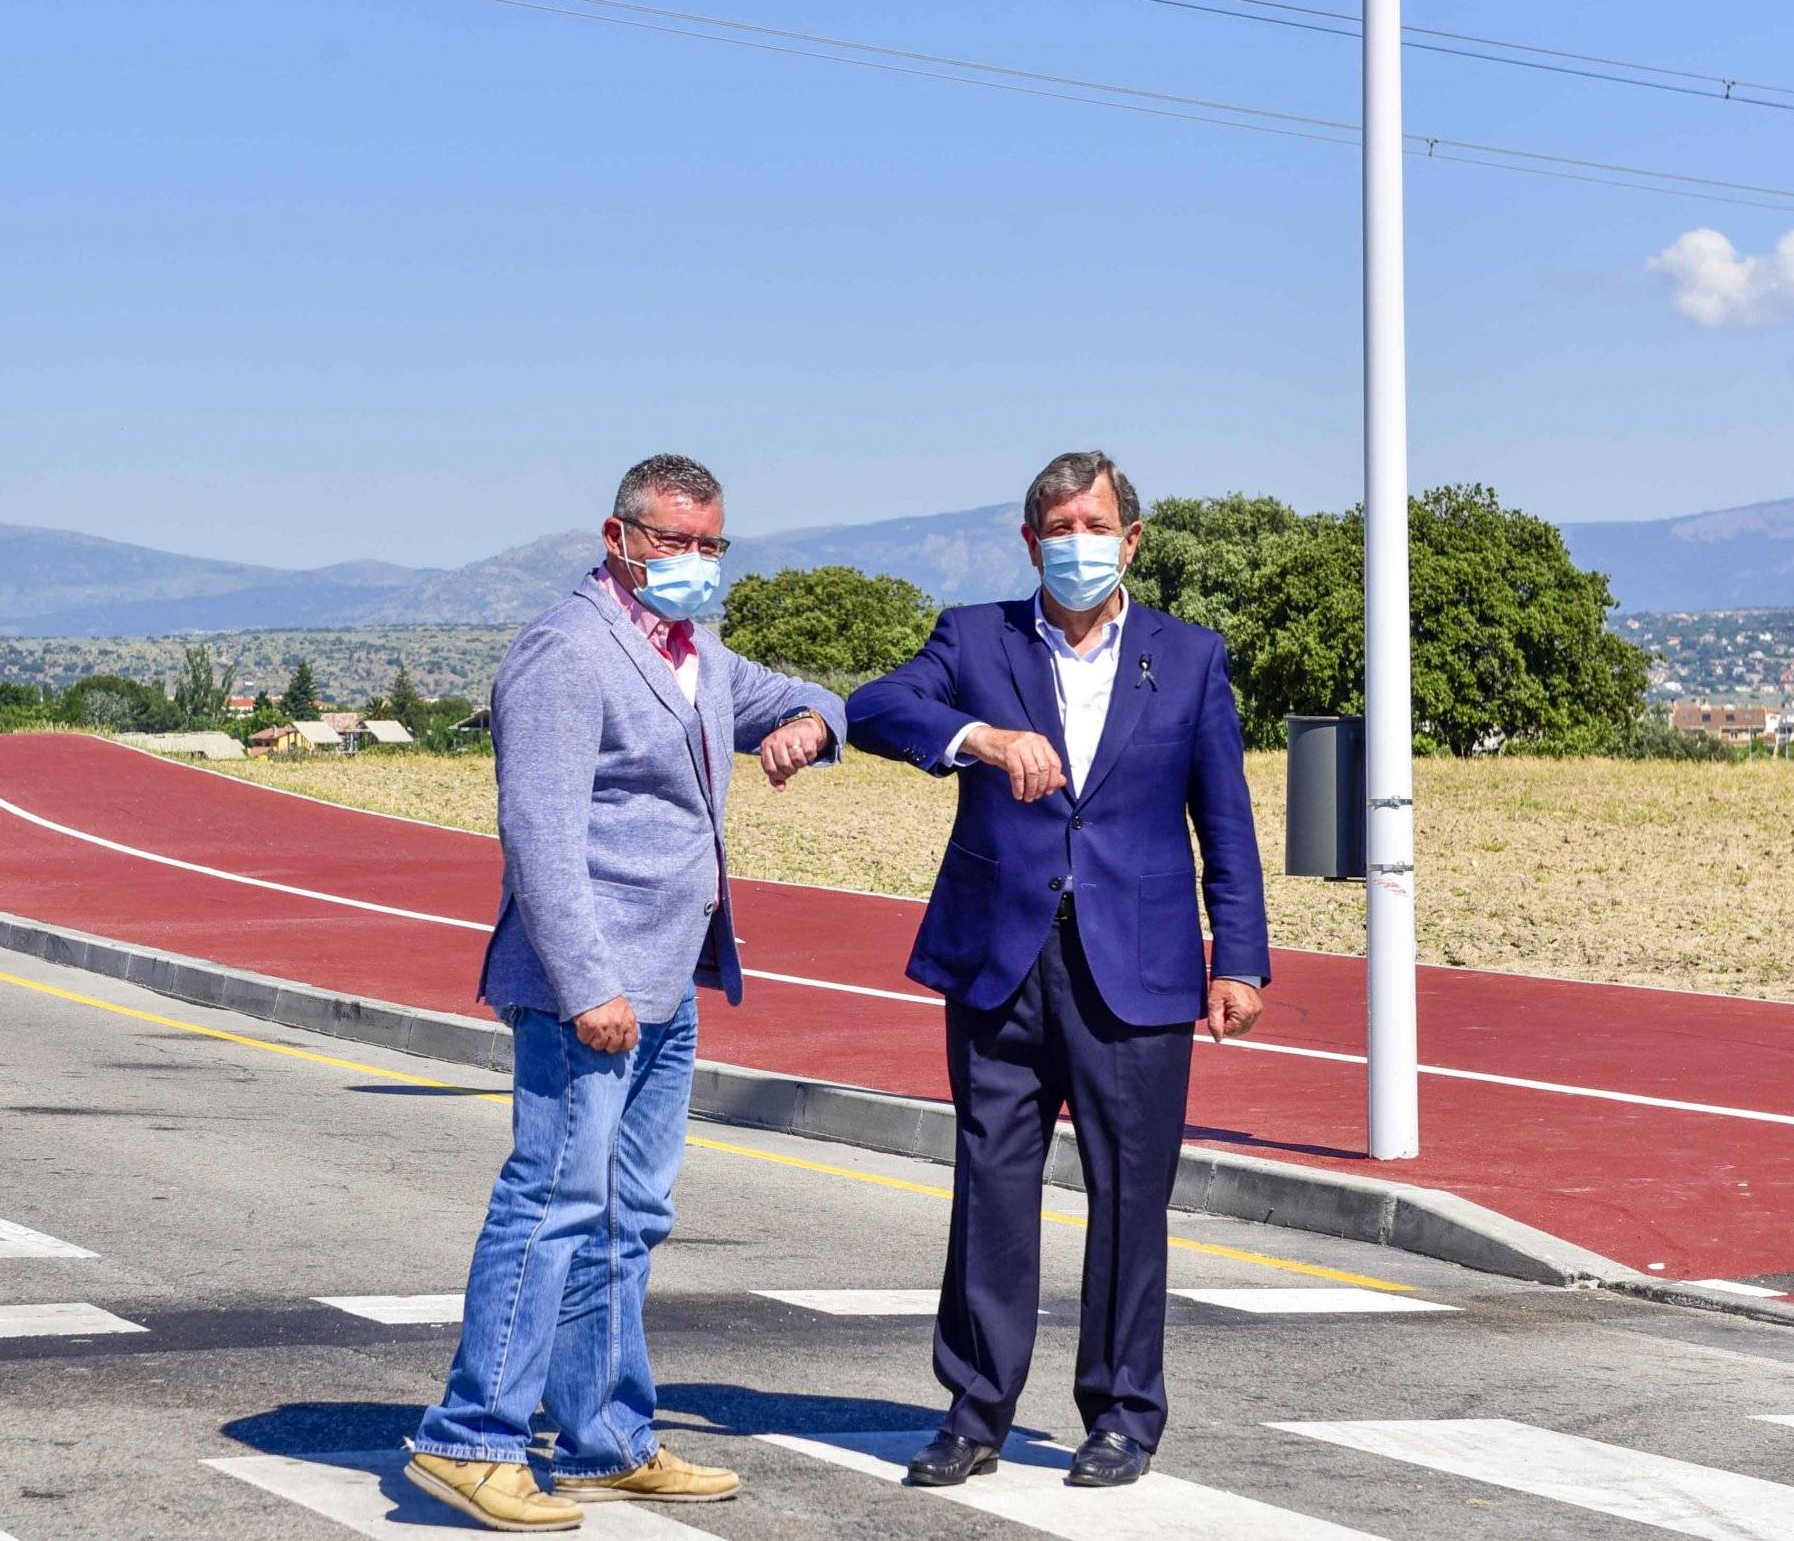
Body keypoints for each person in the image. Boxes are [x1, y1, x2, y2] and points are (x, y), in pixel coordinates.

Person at [407, 454, 843, 1533]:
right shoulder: (568, 650)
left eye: (709, 544)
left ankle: (602, 1434)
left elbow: (801, 693)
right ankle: (472, 1435)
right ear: (618, 536)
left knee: (627, 1213)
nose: (692, 562)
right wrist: (587, 982)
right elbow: (539, 834)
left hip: (670, 977)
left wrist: (812, 725)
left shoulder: (692, 651)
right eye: (673, 541)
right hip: (588, 988)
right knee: (552, 1199)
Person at [844, 449, 1269, 1491]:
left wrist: (1241, 959)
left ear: (1131, 539)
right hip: (1001, 957)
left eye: (1095, 523)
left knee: (1132, 1195)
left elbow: (1225, 820)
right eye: (1056, 524)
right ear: (1027, 539)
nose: (1076, 540)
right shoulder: (972, 637)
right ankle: (974, 1407)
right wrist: (976, 736)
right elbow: (871, 707)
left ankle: (1122, 1414)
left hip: (1139, 964)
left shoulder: (1189, 653)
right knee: (991, 1185)